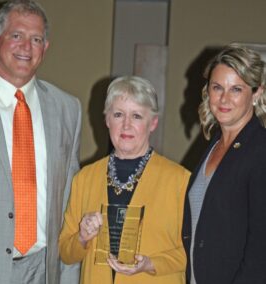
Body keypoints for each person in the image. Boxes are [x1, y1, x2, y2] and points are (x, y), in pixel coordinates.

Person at [0, 0, 81, 283]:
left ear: (46, 48)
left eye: (36, 39)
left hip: (44, 270)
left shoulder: (68, 108)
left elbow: (70, 201)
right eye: (17, 35)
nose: (26, 47)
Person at [59, 76, 190, 284]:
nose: (126, 125)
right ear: (107, 120)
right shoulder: (84, 178)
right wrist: (82, 237)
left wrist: (150, 263)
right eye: (118, 114)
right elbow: (66, 253)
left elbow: (193, 253)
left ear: (153, 123)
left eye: (137, 116)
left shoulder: (180, 180)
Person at [182, 43, 266, 284]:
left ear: (256, 92)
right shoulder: (213, 146)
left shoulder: (260, 150)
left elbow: (262, 246)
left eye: (236, 89)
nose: (224, 98)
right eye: (217, 87)